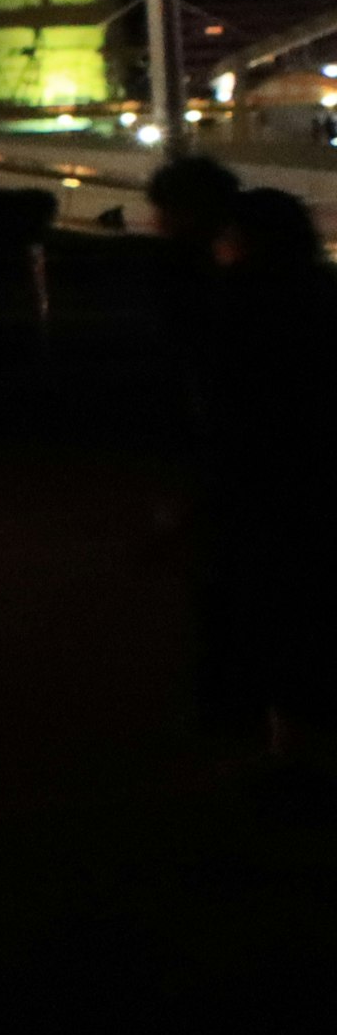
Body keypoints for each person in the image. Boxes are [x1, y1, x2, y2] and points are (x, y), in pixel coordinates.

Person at [189, 181, 337, 802]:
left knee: (273, 622)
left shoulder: (238, 307)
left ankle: (288, 755)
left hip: (272, 490)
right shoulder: (323, 294)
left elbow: (233, 412)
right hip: (318, 480)